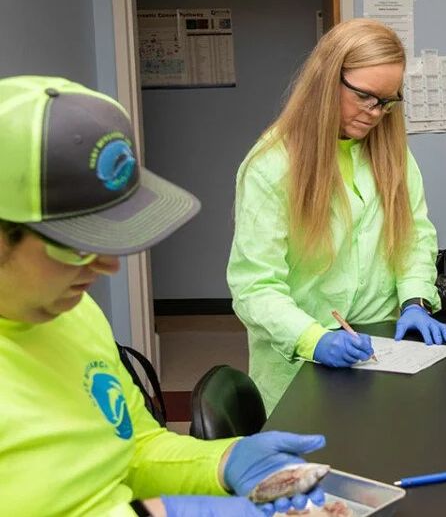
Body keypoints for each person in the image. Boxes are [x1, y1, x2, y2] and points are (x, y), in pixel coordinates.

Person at [0, 76, 327, 517]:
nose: (109, 266)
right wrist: (154, 513)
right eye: (77, 245)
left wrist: (223, 461)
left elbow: (134, 447)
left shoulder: (75, 315)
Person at [227, 18, 446, 413]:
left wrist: (415, 300)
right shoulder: (271, 165)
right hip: (298, 365)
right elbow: (254, 286)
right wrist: (313, 339)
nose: (375, 112)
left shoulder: (392, 154)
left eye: (387, 101)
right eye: (365, 96)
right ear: (326, 80)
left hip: (382, 355)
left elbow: (414, 237)